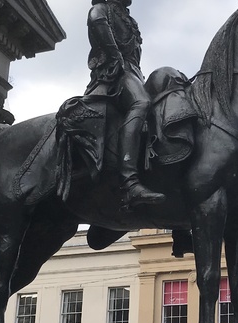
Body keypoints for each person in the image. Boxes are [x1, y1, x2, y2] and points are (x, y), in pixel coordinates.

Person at [86, 0, 166, 207]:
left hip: (133, 73)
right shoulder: (100, 10)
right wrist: (117, 59)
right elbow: (108, 45)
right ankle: (129, 182)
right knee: (141, 102)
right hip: (112, 74)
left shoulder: (128, 20)